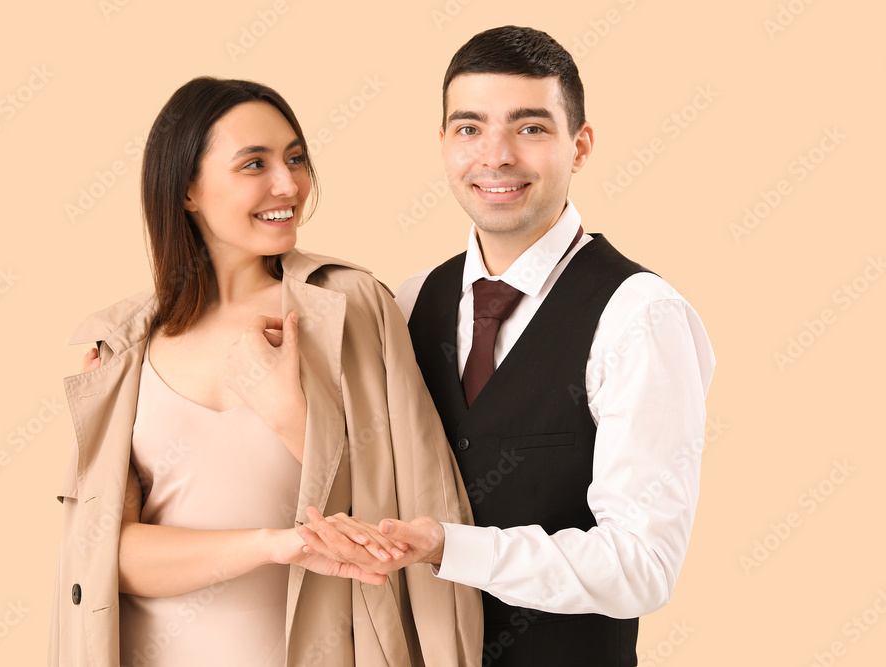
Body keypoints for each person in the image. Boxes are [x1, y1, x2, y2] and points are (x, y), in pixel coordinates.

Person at [297, 25, 717, 667]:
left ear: (581, 146)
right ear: (442, 144)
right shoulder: (410, 303)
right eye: (469, 129)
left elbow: (642, 566)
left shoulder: (639, 315)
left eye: (530, 128)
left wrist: (448, 546)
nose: (494, 157)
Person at [48, 77, 482, 667]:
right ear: (187, 192)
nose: (289, 184)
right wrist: (273, 545)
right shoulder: (123, 348)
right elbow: (107, 558)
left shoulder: (351, 308)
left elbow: (414, 510)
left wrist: (291, 415)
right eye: (254, 163)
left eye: (296, 158)